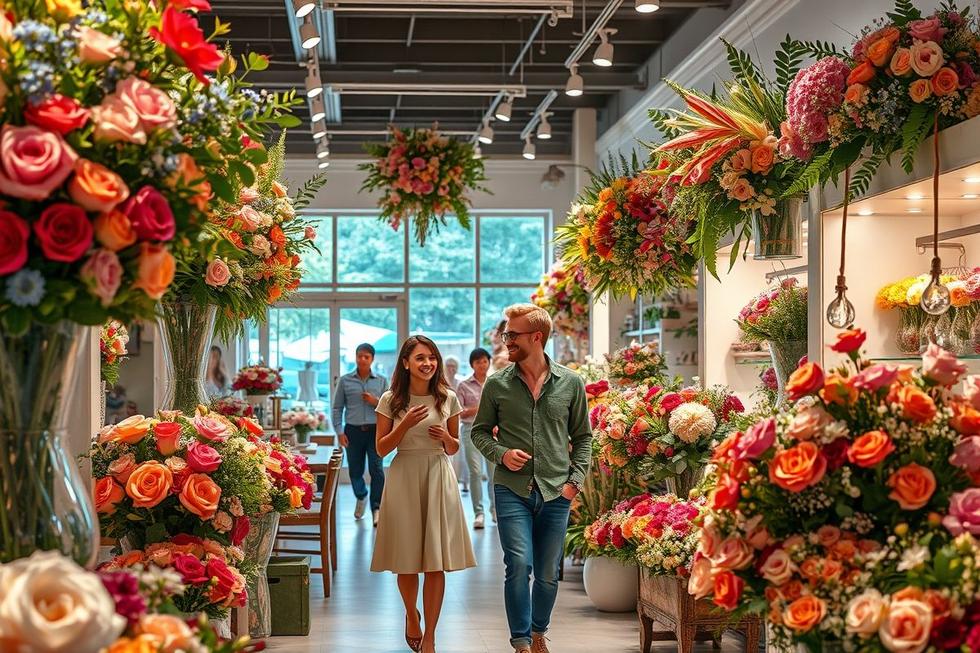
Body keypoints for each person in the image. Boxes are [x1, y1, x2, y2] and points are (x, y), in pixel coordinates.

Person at [470, 304, 592, 653]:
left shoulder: (571, 383)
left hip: (557, 491)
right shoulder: (497, 385)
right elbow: (479, 433)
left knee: (549, 572)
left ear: (536, 338)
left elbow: (583, 437)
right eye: (506, 334)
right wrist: (501, 454)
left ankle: (539, 632)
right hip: (511, 488)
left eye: (513, 335)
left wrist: (574, 483)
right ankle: (521, 642)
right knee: (518, 563)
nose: (506, 340)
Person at [372, 335, 476, 653]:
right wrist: (403, 427)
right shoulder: (391, 400)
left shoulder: (448, 398)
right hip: (404, 474)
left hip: (437, 474)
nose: (427, 363)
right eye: (419, 357)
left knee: (435, 562)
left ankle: (430, 635)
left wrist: (446, 435)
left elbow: (454, 447)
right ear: (406, 363)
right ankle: (411, 616)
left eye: (431, 357)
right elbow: (381, 448)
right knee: (407, 559)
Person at [332, 343, 388, 526]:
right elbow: (337, 408)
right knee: (355, 471)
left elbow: (389, 408)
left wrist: (375, 401)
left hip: (375, 431)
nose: (363, 359)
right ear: (355, 357)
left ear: (372, 359)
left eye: (367, 357)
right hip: (352, 431)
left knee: (377, 469)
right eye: (360, 356)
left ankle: (376, 508)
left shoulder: (381, 381)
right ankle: (361, 495)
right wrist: (339, 432)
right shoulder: (345, 380)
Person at [457, 347, 495, 529]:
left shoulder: (495, 384)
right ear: (472, 364)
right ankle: (479, 513)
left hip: (492, 431)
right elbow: (459, 414)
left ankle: (495, 510)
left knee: (494, 473)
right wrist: (480, 408)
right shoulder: (463, 385)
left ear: (489, 362)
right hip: (470, 430)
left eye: (485, 361)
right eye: (478, 361)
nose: (482, 364)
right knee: (476, 472)